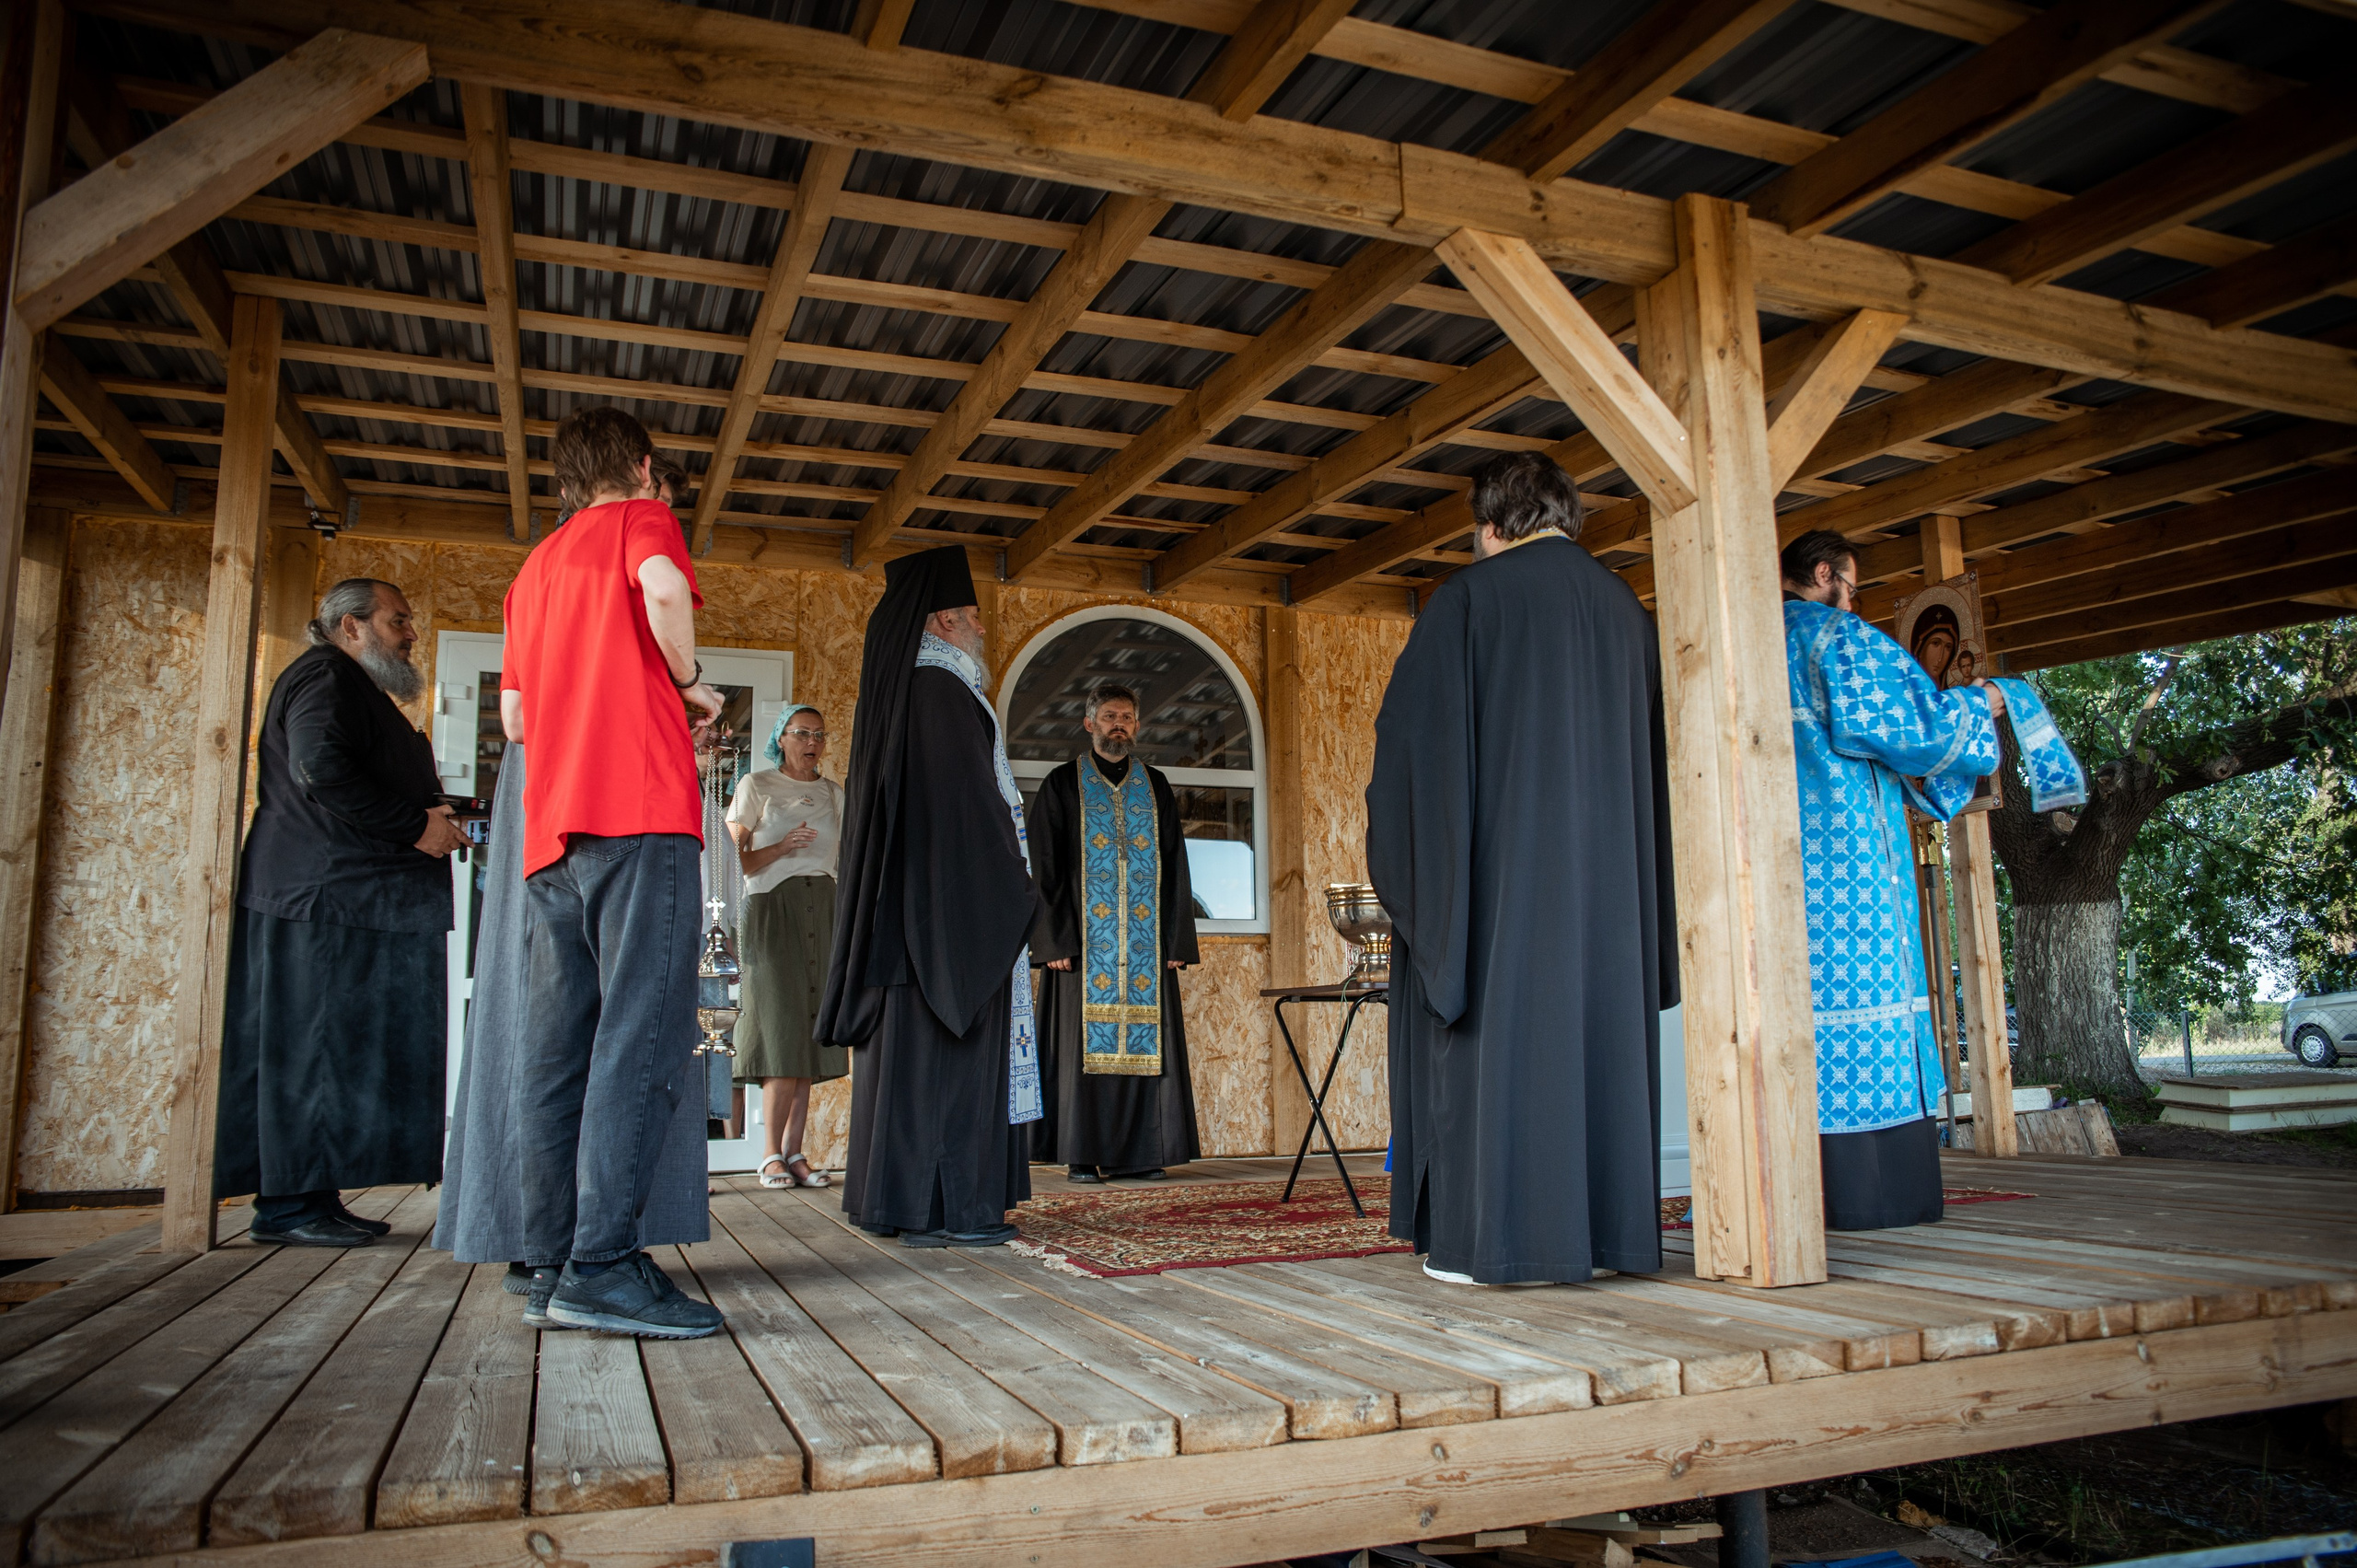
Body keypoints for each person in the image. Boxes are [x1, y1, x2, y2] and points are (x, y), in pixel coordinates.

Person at [1365, 451, 1678, 1287]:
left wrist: (1423, 893)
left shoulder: (1468, 599)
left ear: (1491, 525)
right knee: (1597, 1044)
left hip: (1501, 899)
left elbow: (1409, 757)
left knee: (1494, 1047)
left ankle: (1492, 1244)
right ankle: (1606, 1239)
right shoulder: (1627, 613)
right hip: (1607, 899)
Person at [498, 405, 727, 1336]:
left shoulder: (534, 568)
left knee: (560, 1053)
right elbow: (666, 593)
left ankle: (551, 1261)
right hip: (638, 813)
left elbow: (514, 720)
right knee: (640, 1037)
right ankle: (602, 1265)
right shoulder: (639, 518)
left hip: (552, 836)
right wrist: (681, 679)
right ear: (640, 467)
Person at [215, 578, 464, 1247]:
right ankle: (290, 1206)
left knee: (330, 1047)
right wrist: (414, 825)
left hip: (342, 897)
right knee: (312, 1047)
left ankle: (310, 1194)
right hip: (322, 895)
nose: (410, 632)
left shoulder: (344, 682)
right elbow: (320, 770)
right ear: (349, 626)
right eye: (397, 620)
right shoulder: (326, 676)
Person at [817, 544, 1039, 1248]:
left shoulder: (910, 689)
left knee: (908, 1077)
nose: (981, 629)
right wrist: (1015, 884)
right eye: (972, 616)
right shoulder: (939, 692)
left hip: (908, 925)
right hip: (945, 923)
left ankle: (903, 1203)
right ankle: (946, 1208)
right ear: (944, 618)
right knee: (948, 1066)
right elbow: (966, 816)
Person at [1782, 528, 2005, 1230]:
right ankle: (1876, 1196)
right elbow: (1919, 726)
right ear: (1825, 574)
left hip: (1770, 864)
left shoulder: (1739, 638)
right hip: (1848, 868)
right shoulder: (1836, 638)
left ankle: (1792, 1192)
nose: (1854, 600)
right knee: (1867, 1010)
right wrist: (1987, 704)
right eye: (1851, 584)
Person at [1025, 682, 1202, 1183]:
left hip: (1145, 948)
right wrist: (1052, 941)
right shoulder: (1063, 784)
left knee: (1148, 1049)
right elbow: (1044, 867)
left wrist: (1174, 942)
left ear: (1137, 726)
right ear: (1089, 724)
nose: (1117, 724)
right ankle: (1083, 1153)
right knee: (1082, 1051)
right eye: (1108, 716)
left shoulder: (1156, 785)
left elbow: (1175, 865)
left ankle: (1143, 1154)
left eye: (1126, 716)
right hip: (1082, 949)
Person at [727, 703, 848, 1190]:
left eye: (819, 734)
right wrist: (782, 846)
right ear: (782, 738)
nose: (811, 742)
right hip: (772, 912)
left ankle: (796, 1152)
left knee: (809, 1035)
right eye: (801, 733)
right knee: (778, 1030)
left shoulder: (834, 794)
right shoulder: (757, 786)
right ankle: (768, 1155)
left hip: (825, 908)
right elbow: (735, 857)